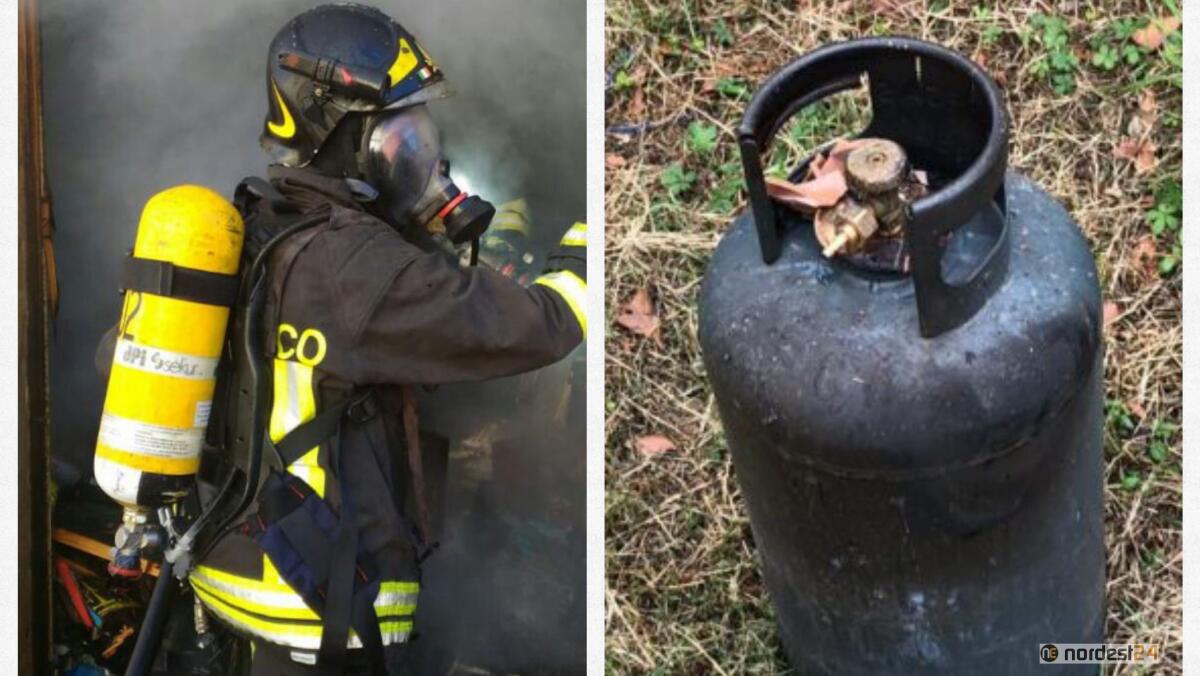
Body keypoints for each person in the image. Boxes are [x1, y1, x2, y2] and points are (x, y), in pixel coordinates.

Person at [187, 5, 586, 674]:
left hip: (250, 569)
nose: (424, 153)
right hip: (323, 604)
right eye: (404, 134)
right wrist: (589, 246)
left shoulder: (260, 226)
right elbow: (547, 324)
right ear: (343, 133)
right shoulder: (358, 267)